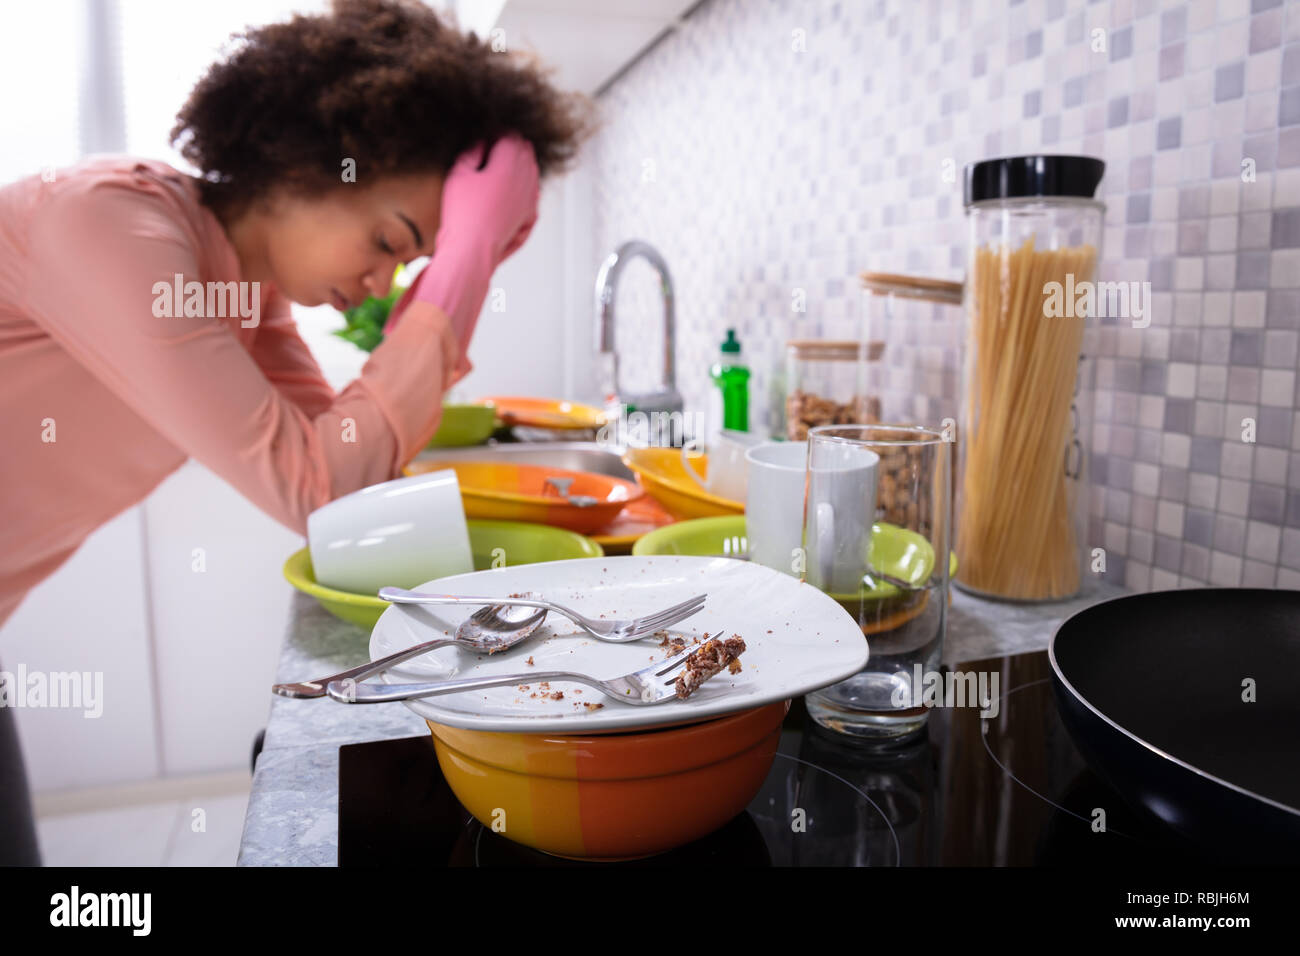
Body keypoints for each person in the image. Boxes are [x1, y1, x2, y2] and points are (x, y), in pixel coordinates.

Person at [0, 0, 591, 864]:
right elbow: (319, 485)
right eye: (394, 239)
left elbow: (350, 502)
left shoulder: (244, 296)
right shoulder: (113, 227)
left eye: (414, 262)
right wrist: (461, 270)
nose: (387, 279)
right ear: (318, 157)